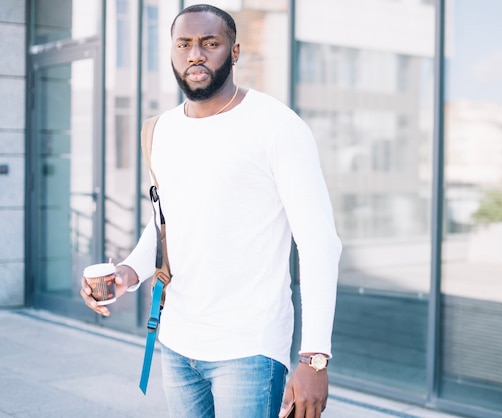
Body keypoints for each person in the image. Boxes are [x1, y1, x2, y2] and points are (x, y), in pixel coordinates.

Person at [80, 4, 341, 418]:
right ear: (171, 52)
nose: (195, 54)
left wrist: (314, 358)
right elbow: (166, 222)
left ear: (234, 52)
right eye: (184, 44)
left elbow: (319, 243)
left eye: (210, 43)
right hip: (178, 341)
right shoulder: (161, 129)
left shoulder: (277, 126)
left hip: (249, 348)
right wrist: (128, 273)